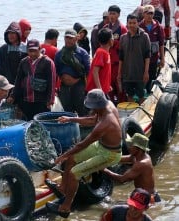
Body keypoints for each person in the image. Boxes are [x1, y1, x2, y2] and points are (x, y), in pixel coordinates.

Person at [45, 89, 122, 218]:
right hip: (101, 145)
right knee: (72, 159)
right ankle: (63, 188)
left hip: (110, 154)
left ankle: (65, 207)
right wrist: (71, 119)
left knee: (75, 172)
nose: (90, 109)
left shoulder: (105, 123)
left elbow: (83, 144)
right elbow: (92, 120)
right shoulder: (106, 106)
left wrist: (63, 156)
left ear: (97, 106)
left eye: (91, 107)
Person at [103, 133, 161, 203]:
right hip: (144, 196)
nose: (128, 147)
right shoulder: (138, 156)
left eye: (131, 145)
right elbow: (120, 159)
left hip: (147, 199)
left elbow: (122, 179)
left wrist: (104, 170)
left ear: (137, 149)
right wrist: (105, 158)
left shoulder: (142, 163)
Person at [7, 39, 56, 120]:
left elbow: (52, 82)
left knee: (41, 123)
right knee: (28, 122)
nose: (32, 53)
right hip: (26, 99)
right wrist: (13, 95)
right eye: (30, 51)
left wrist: (50, 99)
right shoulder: (23, 62)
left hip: (42, 101)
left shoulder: (48, 62)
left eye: (35, 51)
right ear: (27, 50)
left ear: (40, 49)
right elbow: (18, 80)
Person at [54, 29, 90, 116]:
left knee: (81, 108)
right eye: (67, 37)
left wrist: (87, 89)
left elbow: (88, 71)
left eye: (71, 38)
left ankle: (83, 127)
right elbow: (56, 71)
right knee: (66, 110)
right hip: (64, 87)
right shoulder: (59, 54)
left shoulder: (82, 53)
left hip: (79, 85)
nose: (68, 40)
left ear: (76, 39)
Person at [118, 13, 151, 104]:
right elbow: (121, 57)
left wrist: (146, 72)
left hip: (140, 74)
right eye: (130, 23)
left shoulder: (144, 36)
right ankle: (131, 114)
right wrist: (119, 73)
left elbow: (147, 56)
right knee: (129, 96)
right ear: (127, 24)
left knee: (141, 96)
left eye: (134, 23)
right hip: (127, 74)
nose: (132, 25)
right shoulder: (123, 38)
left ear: (138, 23)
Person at [139, 5, 165, 94]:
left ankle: (150, 94)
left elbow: (161, 44)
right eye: (147, 13)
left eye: (151, 13)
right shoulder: (139, 26)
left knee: (152, 77)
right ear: (143, 14)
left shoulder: (158, 27)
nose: (149, 15)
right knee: (141, 77)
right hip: (141, 59)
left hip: (153, 58)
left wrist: (162, 58)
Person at [105, 5, 128, 103]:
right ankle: (110, 106)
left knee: (120, 87)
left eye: (114, 14)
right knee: (108, 86)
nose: (111, 16)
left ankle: (122, 105)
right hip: (108, 62)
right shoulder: (106, 28)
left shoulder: (122, 29)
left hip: (118, 63)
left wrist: (114, 43)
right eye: (110, 13)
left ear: (118, 15)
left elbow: (125, 46)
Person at [86, 28, 114, 96]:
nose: (113, 39)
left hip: (103, 89)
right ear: (110, 41)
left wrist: (107, 85)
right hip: (97, 92)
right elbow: (95, 72)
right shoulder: (101, 52)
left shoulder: (105, 52)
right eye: (112, 37)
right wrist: (99, 90)